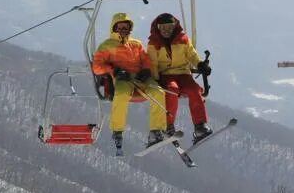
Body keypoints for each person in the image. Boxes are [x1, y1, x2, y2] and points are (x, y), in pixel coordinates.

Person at [91, 12, 168, 150]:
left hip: (140, 77)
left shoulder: (136, 44)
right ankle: (117, 130)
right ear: (114, 28)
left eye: (125, 27)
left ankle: (156, 131)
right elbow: (97, 67)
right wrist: (113, 70)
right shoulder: (107, 46)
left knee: (159, 92)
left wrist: (146, 70)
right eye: (120, 27)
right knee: (121, 95)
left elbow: (146, 60)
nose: (123, 29)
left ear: (129, 28)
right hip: (123, 78)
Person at [147, 13, 212, 142]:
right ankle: (168, 125)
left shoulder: (182, 40)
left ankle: (200, 125)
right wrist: (155, 79)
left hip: (183, 73)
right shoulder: (154, 43)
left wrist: (200, 64)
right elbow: (152, 63)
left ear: (174, 27)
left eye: (170, 27)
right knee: (172, 90)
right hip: (165, 74)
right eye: (163, 28)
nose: (167, 31)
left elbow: (191, 55)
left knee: (194, 90)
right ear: (158, 28)